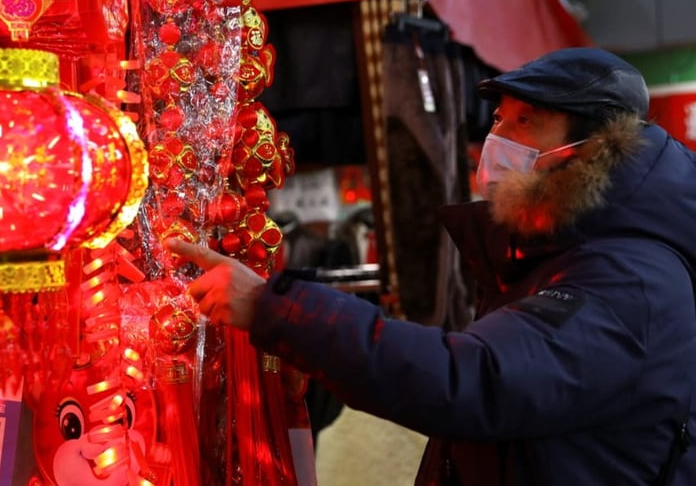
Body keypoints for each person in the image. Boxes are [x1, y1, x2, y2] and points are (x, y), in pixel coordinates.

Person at [167, 47, 696, 485]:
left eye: (526, 121)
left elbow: (473, 379)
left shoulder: (629, 277)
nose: (499, 139)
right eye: (499, 120)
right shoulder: (555, 255)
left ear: (594, 146)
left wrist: (274, 308)